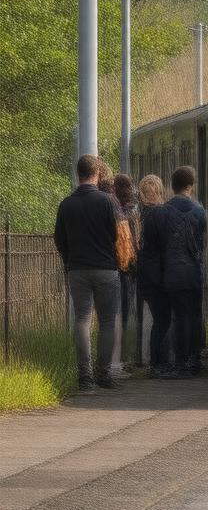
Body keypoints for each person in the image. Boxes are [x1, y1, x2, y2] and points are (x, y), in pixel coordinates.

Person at [53, 155, 121, 391]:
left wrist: (69, 259)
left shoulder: (66, 204)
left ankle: (85, 376)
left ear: (78, 174)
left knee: (82, 319)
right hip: (105, 268)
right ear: (97, 174)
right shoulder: (107, 202)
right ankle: (104, 374)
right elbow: (116, 235)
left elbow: (59, 238)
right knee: (107, 321)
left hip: (77, 269)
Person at [153, 166, 207, 378]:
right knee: (194, 316)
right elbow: (201, 242)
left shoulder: (162, 212)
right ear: (190, 186)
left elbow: (158, 245)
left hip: (172, 272)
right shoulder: (200, 211)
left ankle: (181, 363)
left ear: (171, 186)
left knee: (177, 316)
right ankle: (195, 360)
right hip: (194, 271)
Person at [137, 174, 173, 375]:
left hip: (145, 275)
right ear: (159, 191)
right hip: (159, 275)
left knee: (159, 319)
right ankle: (160, 363)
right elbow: (166, 246)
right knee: (163, 320)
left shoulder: (140, 214)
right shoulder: (160, 214)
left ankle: (155, 362)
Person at [113, 174, 139, 361]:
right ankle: (126, 352)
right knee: (127, 307)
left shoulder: (112, 208)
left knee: (115, 309)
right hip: (129, 265)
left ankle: (118, 353)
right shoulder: (135, 210)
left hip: (112, 263)